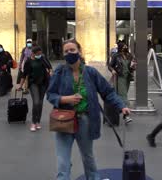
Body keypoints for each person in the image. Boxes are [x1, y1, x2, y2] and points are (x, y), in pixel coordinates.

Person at [47, 39, 130, 180]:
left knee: (88, 157)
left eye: (72, 50)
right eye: (66, 51)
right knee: (62, 161)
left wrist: (121, 106)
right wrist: (65, 99)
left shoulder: (90, 72)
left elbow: (107, 92)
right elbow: (50, 94)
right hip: (63, 120)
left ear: (79, 51)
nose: (69, 53)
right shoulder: (60, 72)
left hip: (85, 121)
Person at [18, 46, 53, 132]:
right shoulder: (28, 62)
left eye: (40, 54)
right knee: (36, 102)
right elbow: (24, 74)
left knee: (40, 103)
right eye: (38, 54)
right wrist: (20, 85)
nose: (39, 55)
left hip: (43, 84)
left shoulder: (43, 58)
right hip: (33, 84)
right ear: (33, 54)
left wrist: (50, 73)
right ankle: (33, 122)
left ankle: (38, 121)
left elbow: (50, 67)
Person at [108, 42, 136, 123]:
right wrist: (112, 70)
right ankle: (126, 116)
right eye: (123, 47)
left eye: (126, 46)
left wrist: (133, 66)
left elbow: (132, 65)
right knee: (124, 96)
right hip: (120, 77)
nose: (125, 48)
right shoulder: (116, 56)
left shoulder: (129, 55)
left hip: (128, 77)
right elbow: (110, 65)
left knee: (124, 95)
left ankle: (121, 110)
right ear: (120, 47)